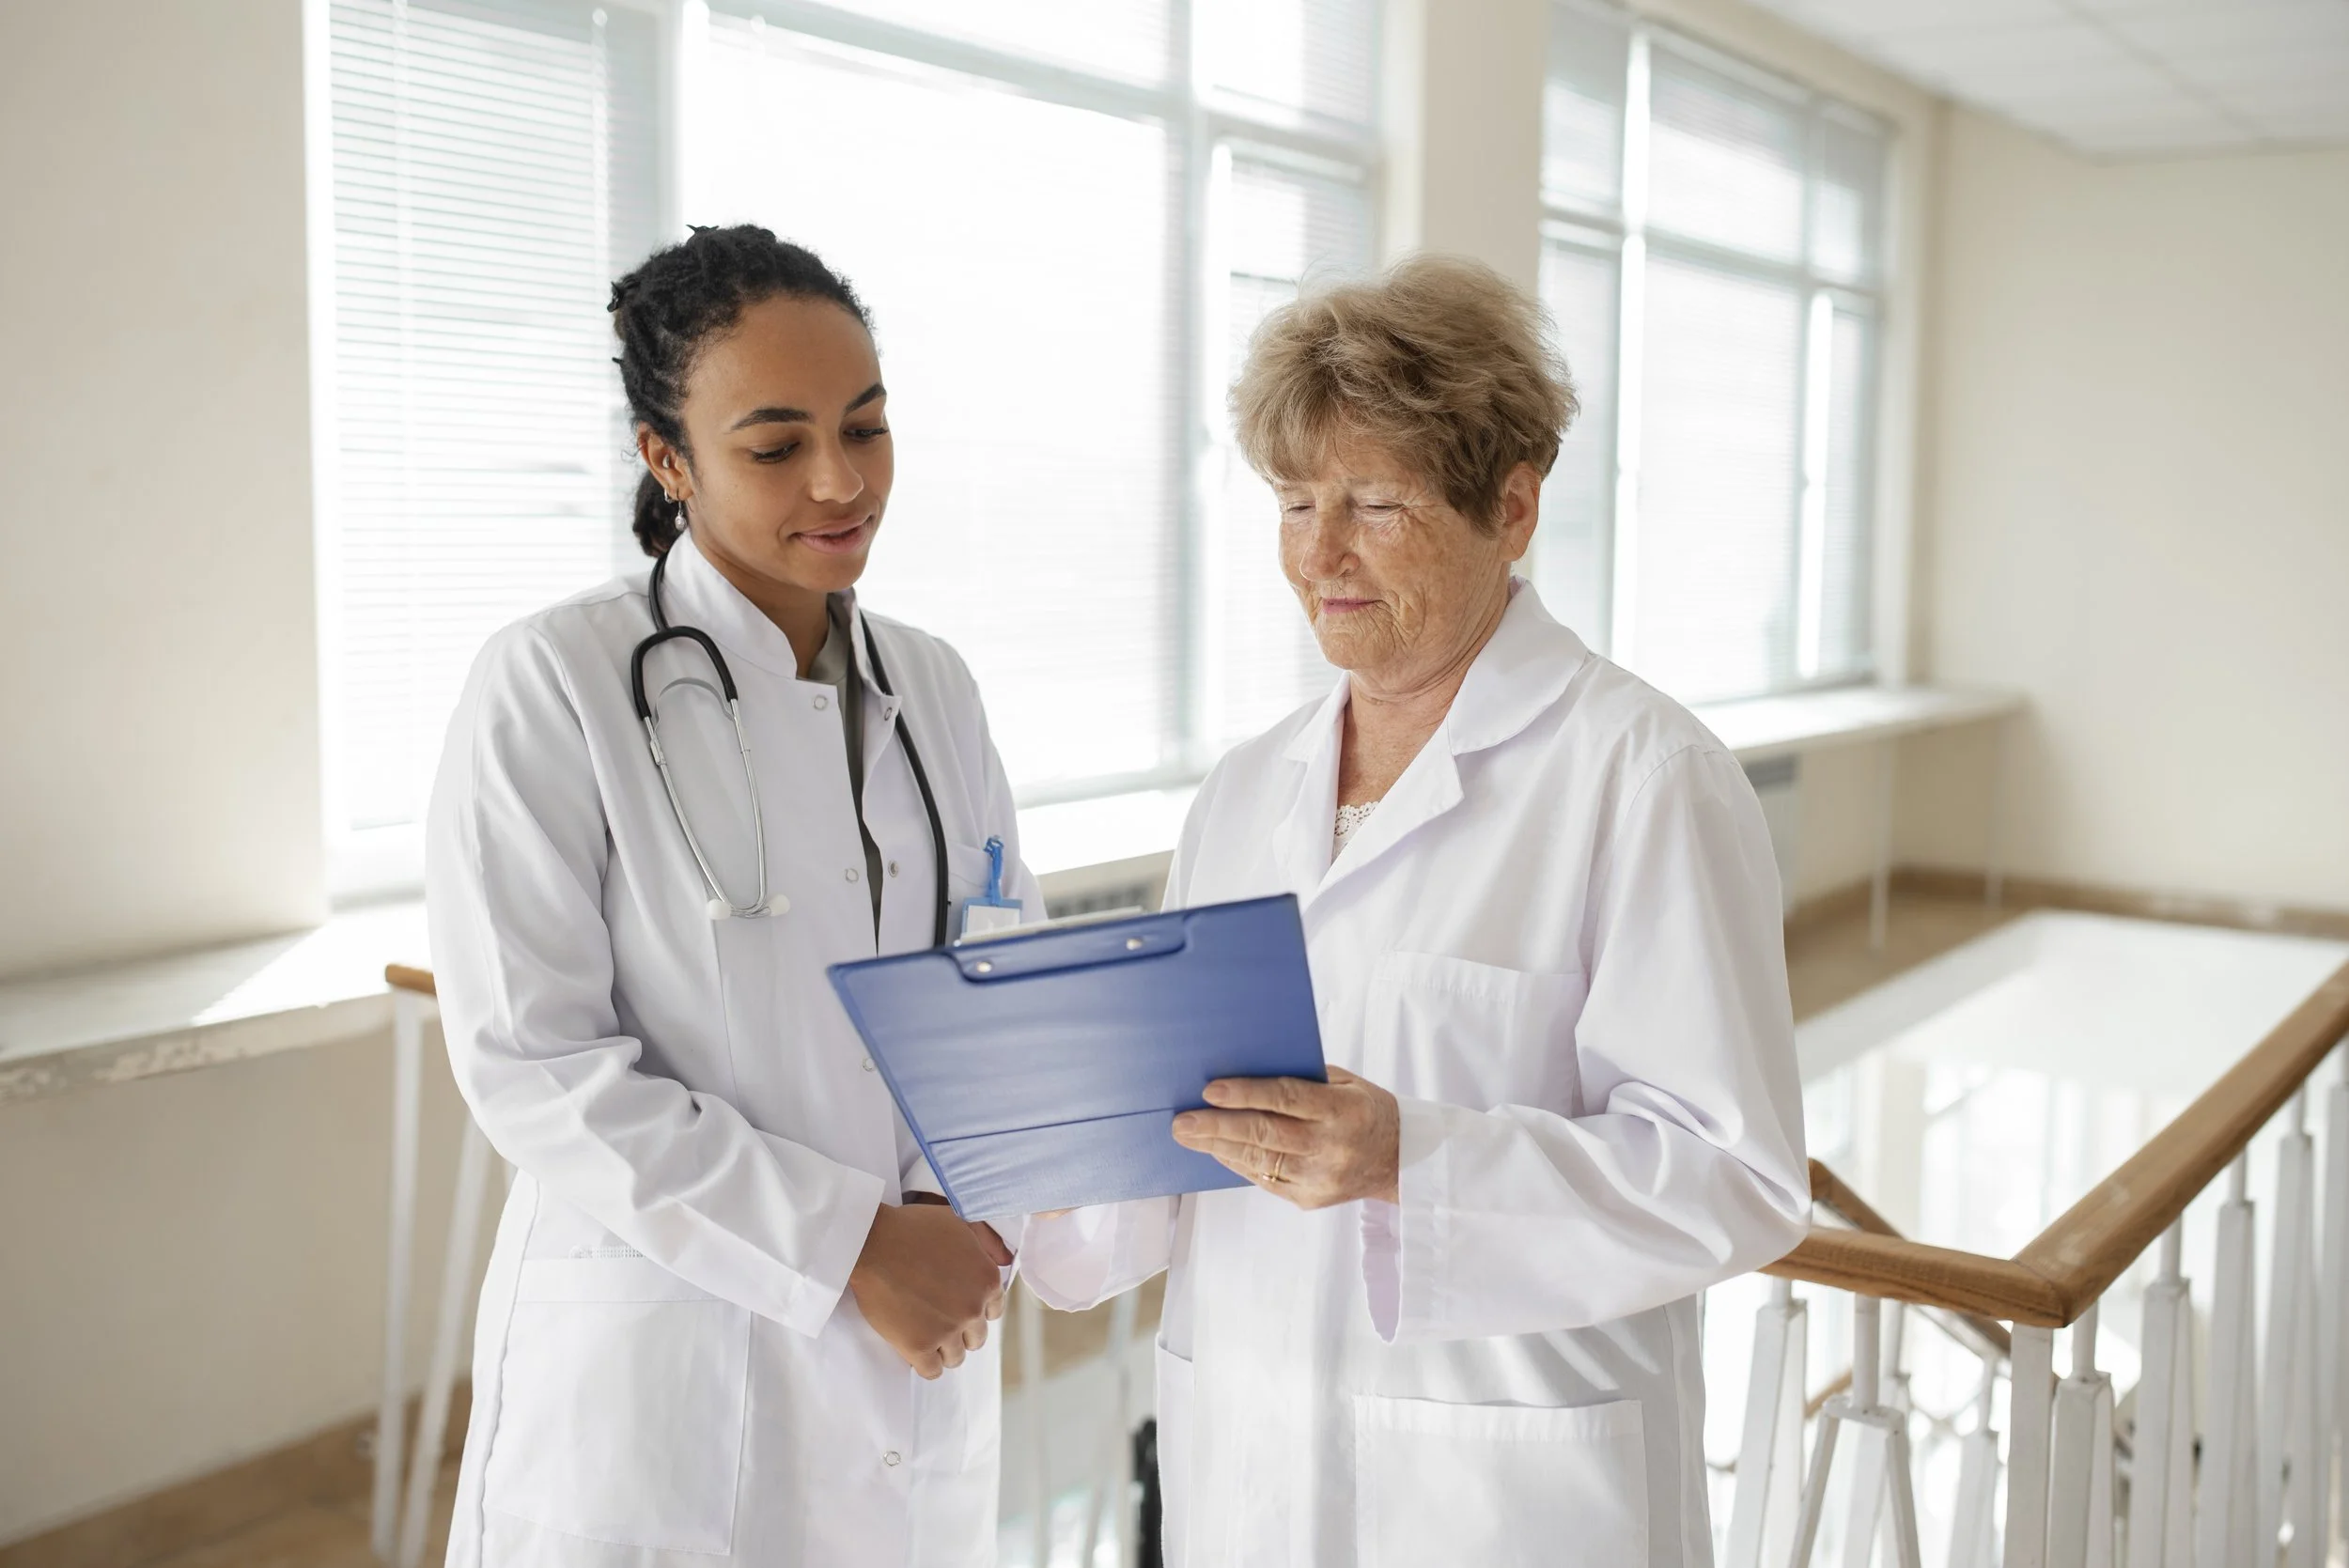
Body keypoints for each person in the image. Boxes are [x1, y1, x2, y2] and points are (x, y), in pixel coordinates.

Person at [1019, 256, 1810, 1565]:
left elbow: (1732, 1178)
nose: (1319, 553)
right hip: (1251, 1462)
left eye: (1374, 503)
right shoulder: (1244, 791)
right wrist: (1045, 1143)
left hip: (1509, 1500)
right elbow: (1182, 1138)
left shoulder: (1644, 776)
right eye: (1293, 501)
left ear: (1512, 507)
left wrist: (1411, 1161)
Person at [427, 225, 1041, 1567]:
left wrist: (946, 1217)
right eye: (775, 446)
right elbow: (536, 1066)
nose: (841, 480)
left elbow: (1004, 984)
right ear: (668, 460)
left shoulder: (934, 685)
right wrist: (852, 1245)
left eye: (866, 428)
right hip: (667, 1368)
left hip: (921, 1341)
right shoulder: (557, 682)